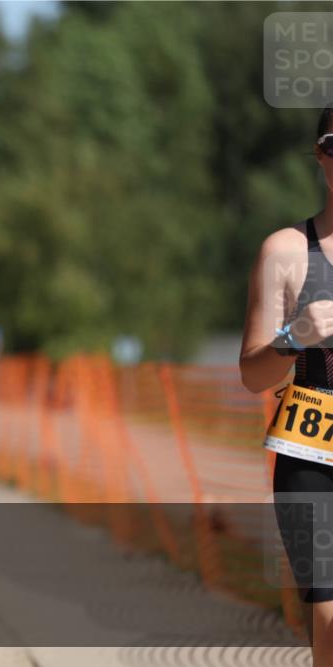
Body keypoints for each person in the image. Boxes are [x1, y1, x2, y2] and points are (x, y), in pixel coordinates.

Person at [240, 104, 333, 666]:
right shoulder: (286, 252)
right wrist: (293, 338)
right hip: (314, 454)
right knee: (330, 620)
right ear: (322, 155)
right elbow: (253, 374)